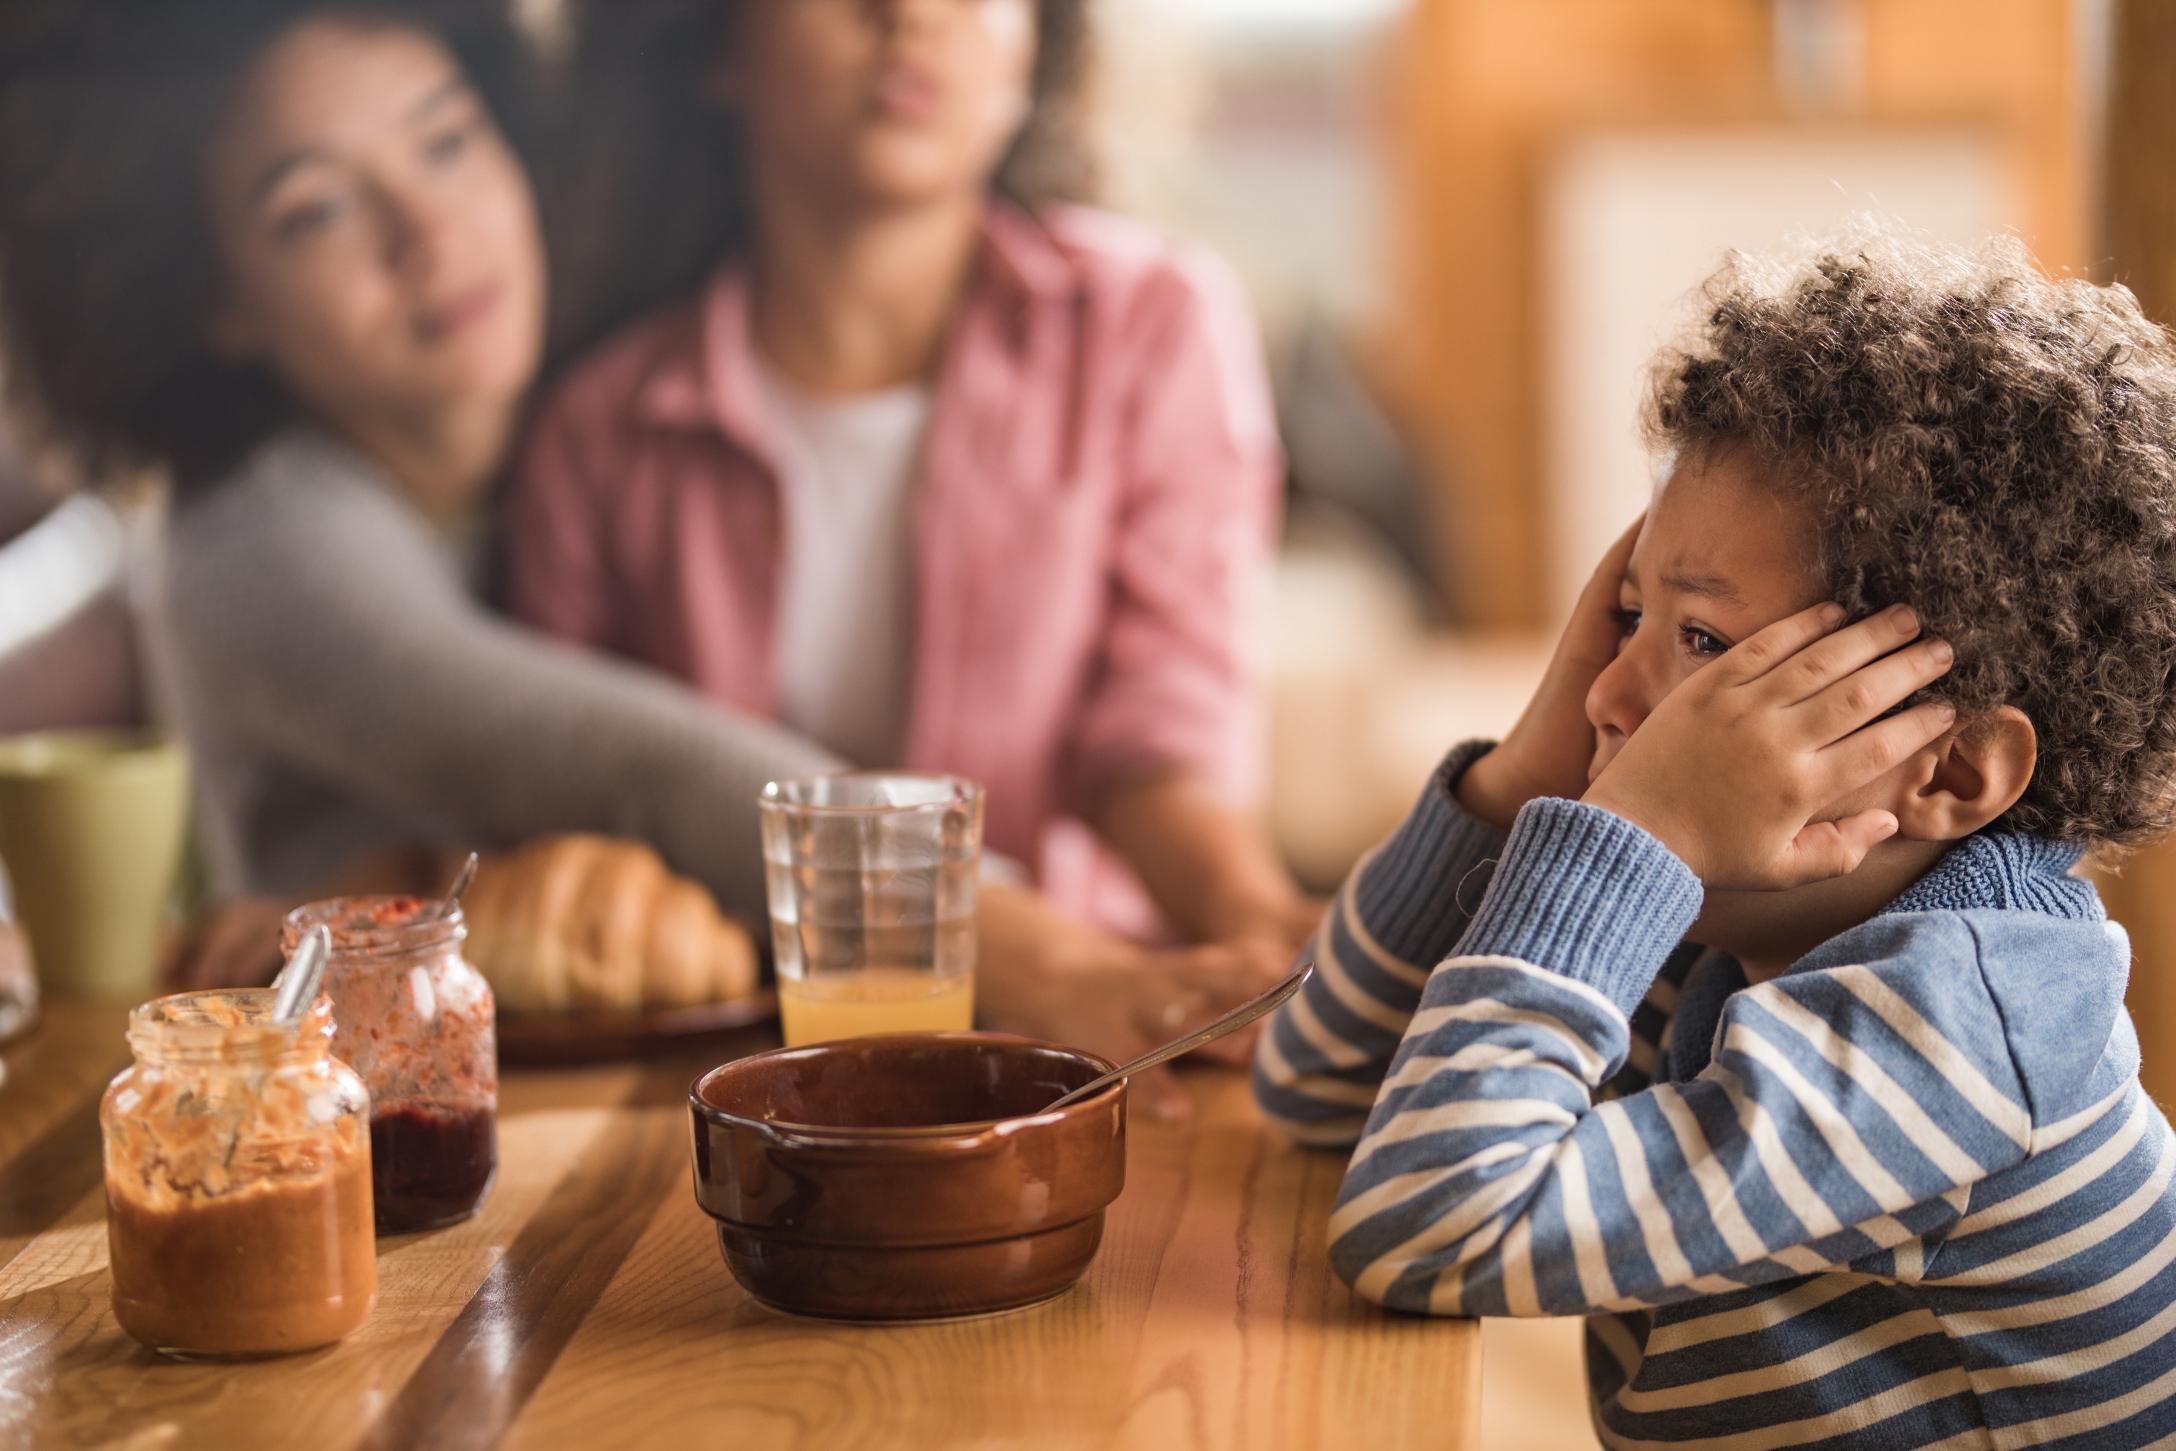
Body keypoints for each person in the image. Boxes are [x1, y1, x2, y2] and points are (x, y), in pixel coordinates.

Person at [1256, 231, 2176, 1445]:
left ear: (1951, 767)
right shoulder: (1725, 921)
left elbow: (1434, 1220)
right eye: (1629, 614)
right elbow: (1323, 1081)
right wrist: (1520, 777)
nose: (1608, 692)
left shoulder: (1955, 1032)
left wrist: (1609, 847)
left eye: (1700, 643)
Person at [508, 0, 1316, 1109]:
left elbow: (1159, 731)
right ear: (712, 46)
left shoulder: (1152, 324)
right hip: (742, 1083)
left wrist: (1261, 928)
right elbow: (571, 820)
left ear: (1037, 44)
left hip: (1086, 1047)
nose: (911, 16)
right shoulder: (597, 431)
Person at [0, 0, 839, 986]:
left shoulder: (606, 424)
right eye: (316, 209)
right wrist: (971, 900)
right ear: (212, 300)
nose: (428, 232)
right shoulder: (249, 550)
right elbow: (636, 766)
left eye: (446, 142)